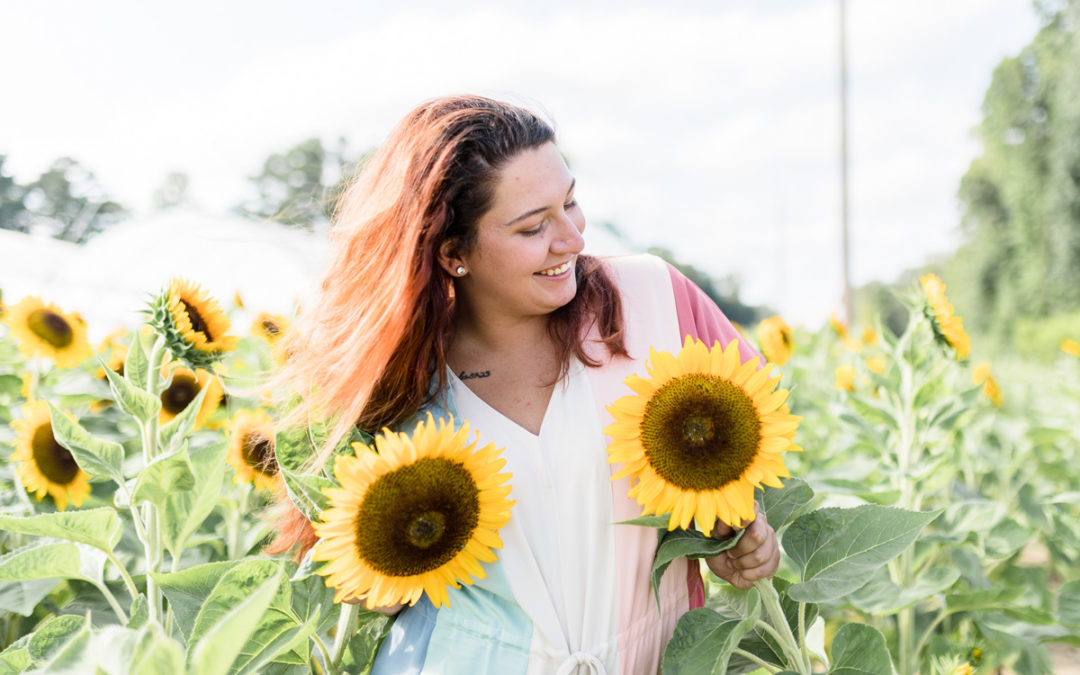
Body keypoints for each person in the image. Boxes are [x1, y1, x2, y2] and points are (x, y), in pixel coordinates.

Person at [268, 95, 780, 674]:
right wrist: (374, 580)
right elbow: (346, 566)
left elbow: (761, 464)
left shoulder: (656, 302)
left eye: (571, 203)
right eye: (534, 227)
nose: (572, 239)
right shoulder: (390, 376)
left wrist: (747, 535)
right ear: (453, 252)